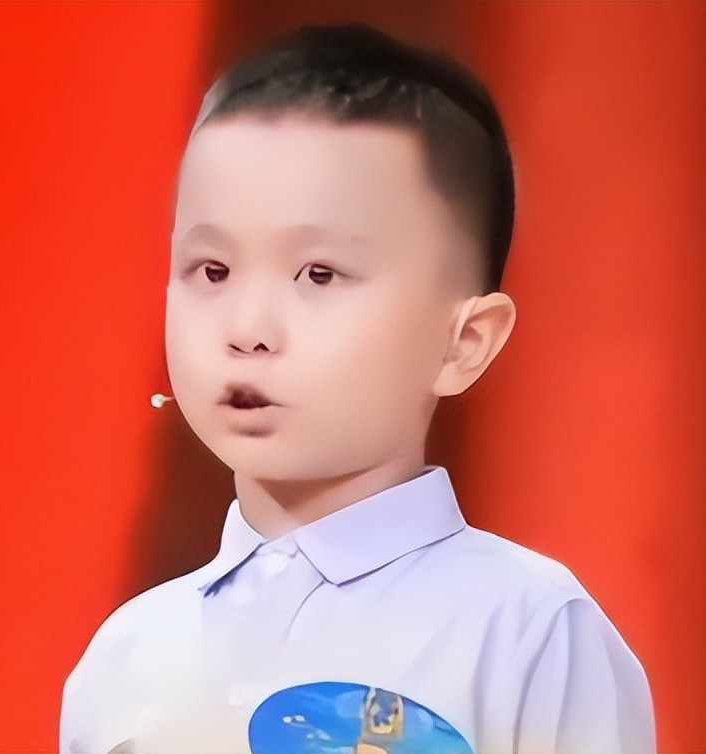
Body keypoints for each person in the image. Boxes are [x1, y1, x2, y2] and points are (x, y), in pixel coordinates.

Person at [60, 24, 655, 753]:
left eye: (319, 275)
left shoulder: (531, 633)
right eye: (212, 271)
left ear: (464, 342)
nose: (248, 329)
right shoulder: (123, 658)